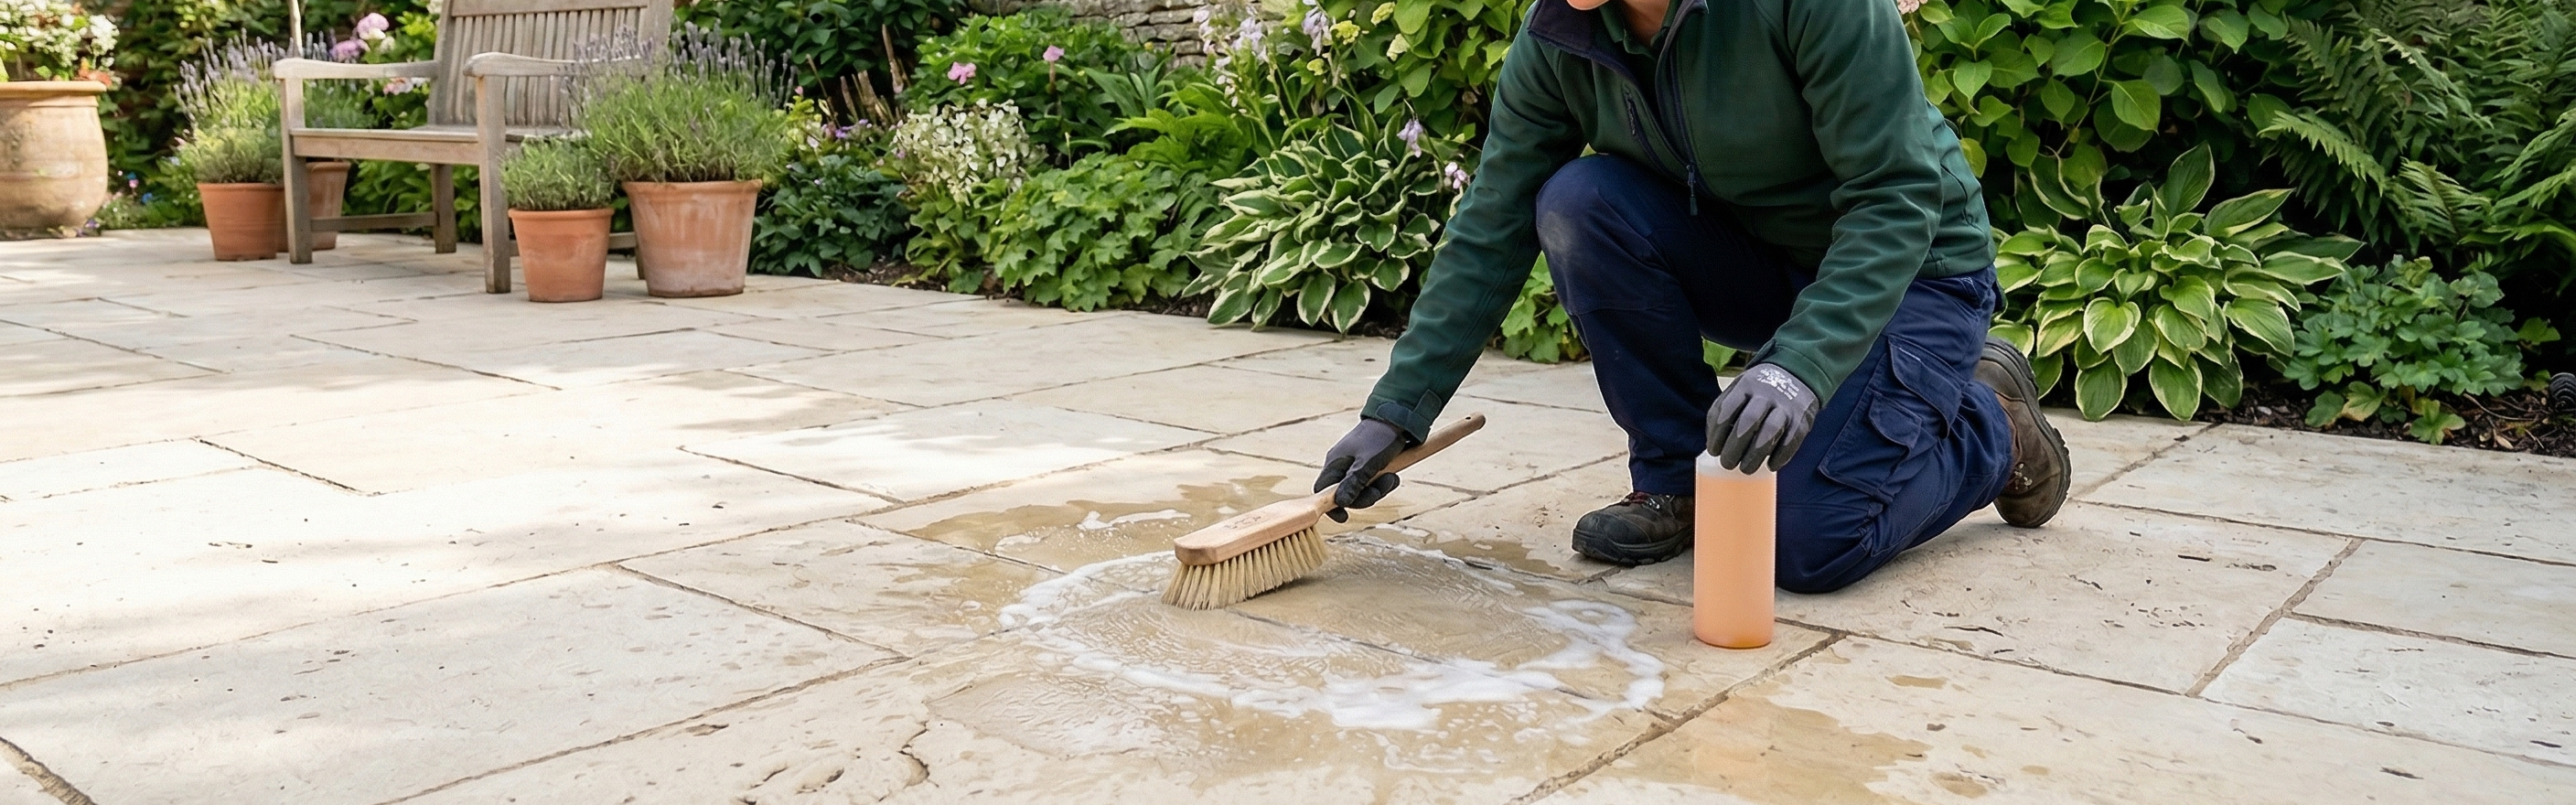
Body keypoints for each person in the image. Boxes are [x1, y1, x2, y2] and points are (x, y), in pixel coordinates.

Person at [1313, 0, 2072, 593]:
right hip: (1763, 270)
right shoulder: (1560, 34)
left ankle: (1991, 426)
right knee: (1580, 204)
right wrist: (1396, 412)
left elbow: (1896, 197)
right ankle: (1676, 482)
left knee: (1806, 542)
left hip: (1915, 276)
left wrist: (1800, 366)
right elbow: (1493, 224)